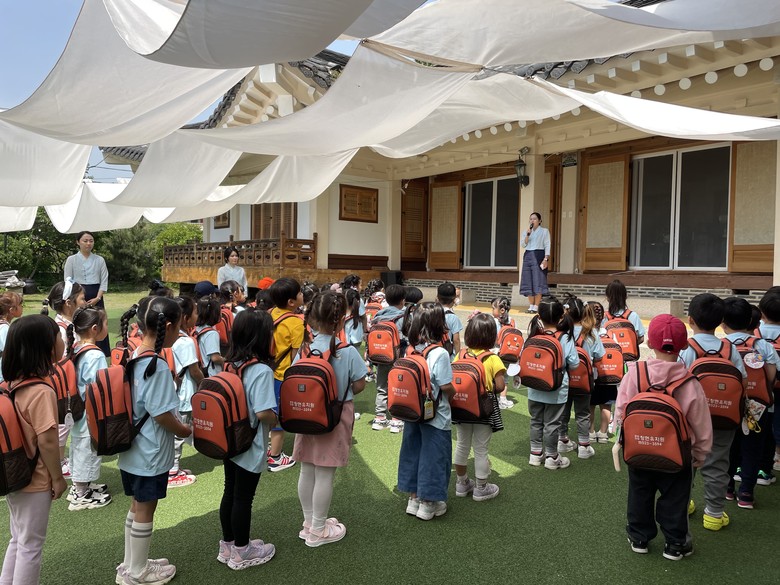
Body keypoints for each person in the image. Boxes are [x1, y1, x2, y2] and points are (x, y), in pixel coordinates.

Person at [616, 314, 712, 560]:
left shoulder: (634, 373)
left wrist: (622, 439)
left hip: (638, 450)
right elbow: (701, 423)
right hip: (678, 455)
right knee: (676, 499)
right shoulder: (689, 382)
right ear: (684, 345)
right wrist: (700, 454)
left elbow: (622, 410)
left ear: (649, 342)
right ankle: (675, 543)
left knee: (639, 493)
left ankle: (639, 537)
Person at [116, 296, 191, 585]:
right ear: (168, 327)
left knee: (136, 505)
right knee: (146, 508)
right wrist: (184, 430)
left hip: (132, 447)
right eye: (179, 327)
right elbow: (161, 414)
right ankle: (138, 572)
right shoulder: (156, 365)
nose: (180, 333)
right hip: (151, 450)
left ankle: (131, 564)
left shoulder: (135, 354)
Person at [293, 291, 367, 546]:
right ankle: (318, 530)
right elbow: (360, 384)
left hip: (304, 414)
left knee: (307, 468)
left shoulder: (304, 349)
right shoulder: (347, 352)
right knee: (325, 473)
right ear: (341, 320)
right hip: (335, 416)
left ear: (313, 318)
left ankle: (309, 523)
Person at [0, 315, 68, 585]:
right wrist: (58, 478)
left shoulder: (10, 385)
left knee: (19, 538)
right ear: (46, 347)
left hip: (14, 473)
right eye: (59, 336)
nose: (62, 341)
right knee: (31, 545)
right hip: (36, 479)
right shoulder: (41, 391)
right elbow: (48, 442)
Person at [218, 310, 278, 569]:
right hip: (250, 443)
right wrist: (276, 420)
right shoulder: (261, 370)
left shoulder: (229, 364)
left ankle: (228, 544)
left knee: (230, 491)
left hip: (228, 439)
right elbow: (263, 412)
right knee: (244, 497)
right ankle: (242, 551)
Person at [678, 294, 746, 518]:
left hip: (690, 418)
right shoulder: (730, 349)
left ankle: (684, 504)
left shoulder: (686, 349)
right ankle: (714, 514)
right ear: (721, 321)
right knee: (718, 463)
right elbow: (743, 382)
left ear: (690, 320)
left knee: (687, 462)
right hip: (724, 417)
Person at [398, 303, 455, 521]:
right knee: (434, 456)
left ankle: (413, 498)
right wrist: (454, 392)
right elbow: (446, 385)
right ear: (439, 324)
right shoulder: (440, 353)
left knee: (413, 451)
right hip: (435, 415)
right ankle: (429, 502)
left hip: (412, 411)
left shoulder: (410, 348)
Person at [723, 297, 777, 519]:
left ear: (722, 322)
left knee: (730, 447)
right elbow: (771, 376)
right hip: (758, 406)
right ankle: (746, 493)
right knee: (753, 448)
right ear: (752, 322)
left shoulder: (721, 345)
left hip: (729, 405)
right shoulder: (763, 345)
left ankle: (727, 488)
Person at [453, 313, 505, 501]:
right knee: (481, 448)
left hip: (461, 406)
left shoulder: (460, 354)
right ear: (491, 335)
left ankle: (461, 483)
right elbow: (500, 386)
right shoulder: (492, 358)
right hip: (484, 408)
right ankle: (481, 488)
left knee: (462, 445)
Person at [65, 307, 112, 511]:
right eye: (106, 324)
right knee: (87, 449)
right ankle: (81, 493)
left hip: (77, 409)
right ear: (94, 328)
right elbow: (98, 386)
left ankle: (80, 485)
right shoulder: (95, 355)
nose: (107, 327)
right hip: (90, 412)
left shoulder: (76, 348)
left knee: (79, 447)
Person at [41, 278, 87, 480]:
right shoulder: (59, 328)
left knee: (64, 423)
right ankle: (58, 463)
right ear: (69, 303)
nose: (85, 302)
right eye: (82, 298)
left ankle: (60, 460)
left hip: (66, 381)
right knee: (61, 423)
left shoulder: (68, 324)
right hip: (60, 383)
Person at [526, 296, 579, 470]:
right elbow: (574, 363)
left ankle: (535, 454)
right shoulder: (565, 338)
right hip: (556, 389)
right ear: (561, 317)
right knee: (552, 424)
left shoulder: (534, 334)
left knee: (536, 420)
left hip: (534, 387)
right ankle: (552, 456)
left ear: (539, 316)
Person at [268, 278, 304, 472]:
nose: (302, 295)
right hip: (282, 375)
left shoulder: (270, 313)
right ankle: (275, 457)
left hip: (265, 372)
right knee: (278, 417)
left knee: (266, 412)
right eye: (299, 293)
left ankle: (267, 449)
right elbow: (295, 356)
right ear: (291, 302)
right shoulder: (295, 323)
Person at [169, 296, 201, 488]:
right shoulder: (185, 341)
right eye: (195, 312)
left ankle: (172, 467)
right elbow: (194, 370)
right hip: (184, 394)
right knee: (179, 433)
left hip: (172, 392)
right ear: (185, 318)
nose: (198, 315)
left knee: (176, 431)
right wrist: (205, 384)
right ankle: (172, 471)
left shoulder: (167, 337)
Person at [63, 231, 110, 356]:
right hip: (78, 296)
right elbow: (68, 281)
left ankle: (100, 352)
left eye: (91, 241)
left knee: (98, 322)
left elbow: (104, 280)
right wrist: (77, 298)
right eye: (85, 241)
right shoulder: (71, 260)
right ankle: (78, 350)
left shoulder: (99, 260)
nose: (88, 243)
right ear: (78, 242)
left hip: (96, 296)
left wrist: (98, 298)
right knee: (80, 323)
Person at [370, 284, 407, 433]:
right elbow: (407, 337)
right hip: (398, 357)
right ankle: (396, 420)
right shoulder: (403, 317)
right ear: (403, 300)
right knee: (397, 387)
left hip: (380, 356)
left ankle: (379, 418)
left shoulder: (378, 316)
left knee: (381, 387)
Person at [519, 212, 550, 314]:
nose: (532, 221)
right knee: (528, 280)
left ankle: (536, 306)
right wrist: (528, 235)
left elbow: (547, 244)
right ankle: (531, 305)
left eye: (535, 219)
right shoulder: (526, 231)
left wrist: (546, 258)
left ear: (539, 221)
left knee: (538, 280)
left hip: (539, 255)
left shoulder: (544, 231)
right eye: (531, 219)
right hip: (528, 255)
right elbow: (523, 245)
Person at [491, 296, 516, 408]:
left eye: (493, 308)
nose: (492, 311)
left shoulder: (494, 321)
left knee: (492, 376)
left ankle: (491, 397)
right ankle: (503, 399)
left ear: (501, 310)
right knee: (504, 378)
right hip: (507, 353)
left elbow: (493, 339)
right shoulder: (512, 321)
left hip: (494, 353)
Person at [194, 297, 224, 378]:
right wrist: (225, 360)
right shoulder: (212, 333)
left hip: (203, 370)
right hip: (213, 374)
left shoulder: (198, 328)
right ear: (215, 314)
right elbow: (215, 358)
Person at [0, 291, 24, 383]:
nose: (22, 307)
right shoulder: (5, 329)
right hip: (3, 377)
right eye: (20, 305)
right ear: (12, 310)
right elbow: (12, 352)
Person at [437, 282, 462, 359]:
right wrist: (458, 357)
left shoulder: (431, 313)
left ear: (437, 297)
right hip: (448, 355)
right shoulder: (453, 317)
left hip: (431, 351)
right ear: (454, 298)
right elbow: (456, 340)